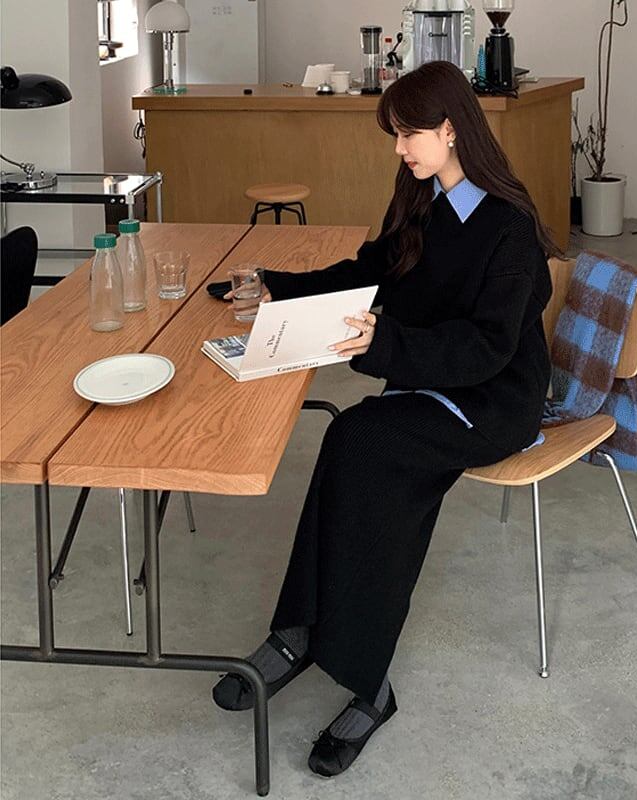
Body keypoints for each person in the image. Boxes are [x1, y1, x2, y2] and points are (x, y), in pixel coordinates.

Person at [213, 60, 559, 778]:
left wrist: (384, 344)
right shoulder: (423, 197)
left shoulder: (510, 227)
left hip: (492, 399)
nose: (399, 149)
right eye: (397, 136)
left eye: (408, 134)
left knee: (365, 447)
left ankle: (365, 683)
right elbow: (369, 272)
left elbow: (489, 347)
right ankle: (299, 631)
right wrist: (279, 287)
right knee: (352, 446)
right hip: (430, 380)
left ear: (451, 129)